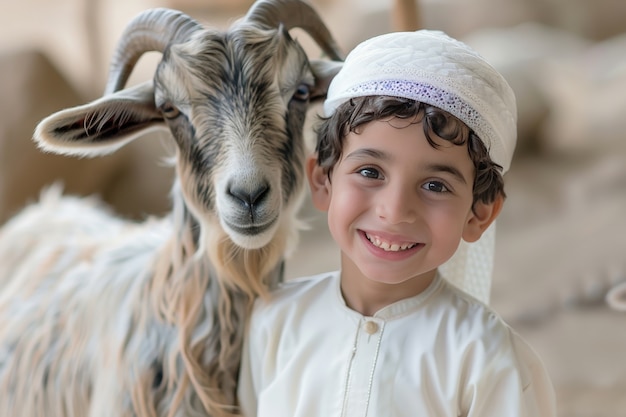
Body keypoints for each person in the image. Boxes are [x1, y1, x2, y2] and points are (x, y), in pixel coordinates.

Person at [238, 29, 557, 417]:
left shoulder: (487, 357)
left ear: (479, 214)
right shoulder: (273, 323)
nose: (395, 210)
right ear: (322, 181)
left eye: (435, 185)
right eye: (370, 172)